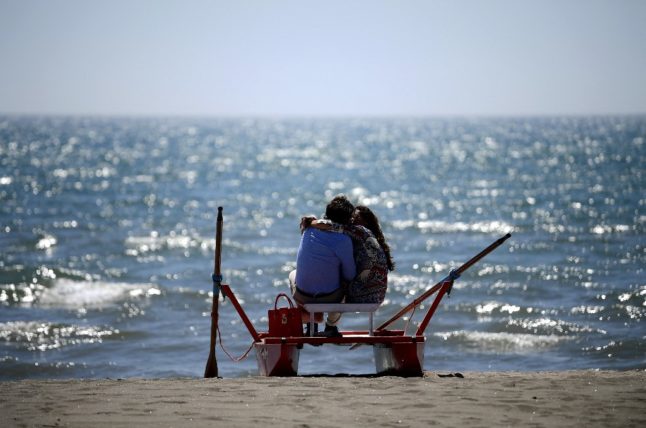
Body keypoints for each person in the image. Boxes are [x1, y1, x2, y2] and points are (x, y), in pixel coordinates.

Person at [289, 195, 356, 337]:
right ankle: (330, 326)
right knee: (346, 283)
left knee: (293, 274)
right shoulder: (343, 240)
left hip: (303, 296)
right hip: (330, 298)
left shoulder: (308, 230)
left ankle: (310, 323)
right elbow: (350, 274)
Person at [308, 205, 394, 304]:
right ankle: (331, 319)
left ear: (366, 222)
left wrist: (310, 222)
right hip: (377, 298)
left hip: (358, 297)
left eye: (356, 218)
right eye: (351, 217)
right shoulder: (371, 240)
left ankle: (330, 318)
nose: (351, 221)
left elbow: (328, 225)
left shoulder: (360, 231)